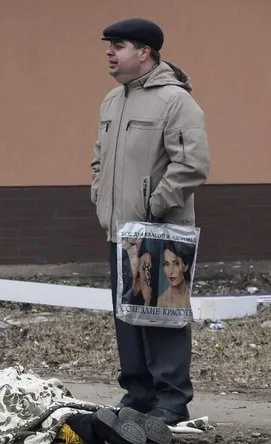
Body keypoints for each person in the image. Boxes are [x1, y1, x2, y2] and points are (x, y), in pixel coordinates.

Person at [90, 18, 211, 425]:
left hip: (161, 232)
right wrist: (98, 193)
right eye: (108, 45)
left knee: (163, 319)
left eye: (118, 45)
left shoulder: (176, 101)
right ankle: (138, 395)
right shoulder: (111, 100)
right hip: (120, 233)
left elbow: (193, 164)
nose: (109, 51)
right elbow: (99, 158)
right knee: (128, 316)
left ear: (145, 52)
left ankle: (172, 402)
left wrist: (155, 205)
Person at [158, 241, 194, 309]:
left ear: (186, 266)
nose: (170, 271)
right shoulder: (162, 302)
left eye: (176, 264)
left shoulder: (194, 297)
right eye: (166, 264)